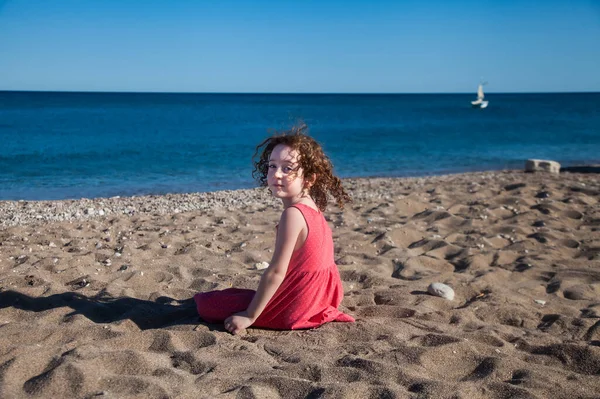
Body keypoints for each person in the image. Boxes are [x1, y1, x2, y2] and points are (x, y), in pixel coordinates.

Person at [193, 124, 355, 334]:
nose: (277, 174)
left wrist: (249, 316)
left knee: (206, 304)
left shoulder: (293, 215)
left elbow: (277, 272)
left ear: (309, 178)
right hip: (320, 297)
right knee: (233, 294)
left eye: (288, 168)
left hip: (296, 306)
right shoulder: (312, 206)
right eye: (272, 166)